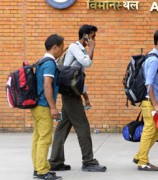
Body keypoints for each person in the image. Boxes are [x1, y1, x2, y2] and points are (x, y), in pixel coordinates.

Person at [49, 24, 107, 172]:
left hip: (72, 93)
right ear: (85, 36)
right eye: (92, 36)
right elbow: (87, 63)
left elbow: (77, 78)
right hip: (70, 95)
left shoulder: (80, 50)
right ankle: (88, 161)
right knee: (83, 127)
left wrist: (85, 96)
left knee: (62, 128)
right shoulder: (74, 47)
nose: (94, 39)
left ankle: (55, 161)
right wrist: (92, 47)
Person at [133, 29, 158, 171]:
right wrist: (155, 104)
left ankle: (139, 156)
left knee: (156, 130)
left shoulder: (153, 56)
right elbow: (148, 83)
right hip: (149, 101)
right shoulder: (154, 59)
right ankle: (142, 162)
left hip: (149, 100)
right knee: (150, 130)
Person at [31, 34, 64, 180]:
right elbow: (47, 84)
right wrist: (53, 107)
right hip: (44, 105)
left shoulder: (41, 61)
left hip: (36, 105)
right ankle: (42, 172)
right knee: (45, 139)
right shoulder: (49, 63)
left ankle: (38, 167)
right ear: (55, 47)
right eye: (61, 48)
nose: (62, 51)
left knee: (38, 137)